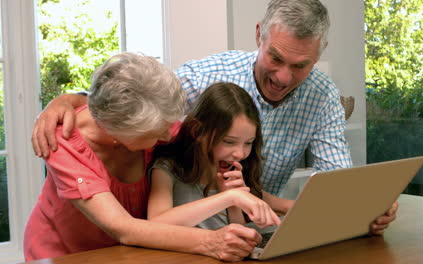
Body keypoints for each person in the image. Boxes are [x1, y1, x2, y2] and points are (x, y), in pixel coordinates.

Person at [30, 0, 397, 235]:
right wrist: (69, 99)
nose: (283, 77)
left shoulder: (323, 97)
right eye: (276, 59)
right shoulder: (204, 79)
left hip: (190, 235)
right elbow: (131, 98)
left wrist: (361, 208)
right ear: (259, 36)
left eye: (300, 66)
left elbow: (333, 184)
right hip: (78, 246)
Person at [23, 52, 263, 262]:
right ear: (119, 134)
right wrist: (211, 241)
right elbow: (124, 228)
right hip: (63, 255)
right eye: (156, 132)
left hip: (125, 254)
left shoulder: (144, 122)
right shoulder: (63, 144)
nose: (168, 134)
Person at [148, 82, 282, 230]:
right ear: (197, 130)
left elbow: (237, 229)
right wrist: (229, 198)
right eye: (229, 141)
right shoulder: (167, 168)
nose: (240, 154)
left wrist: (233, 203)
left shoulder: (232, 172)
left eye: (248, 143)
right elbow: (156, 223)